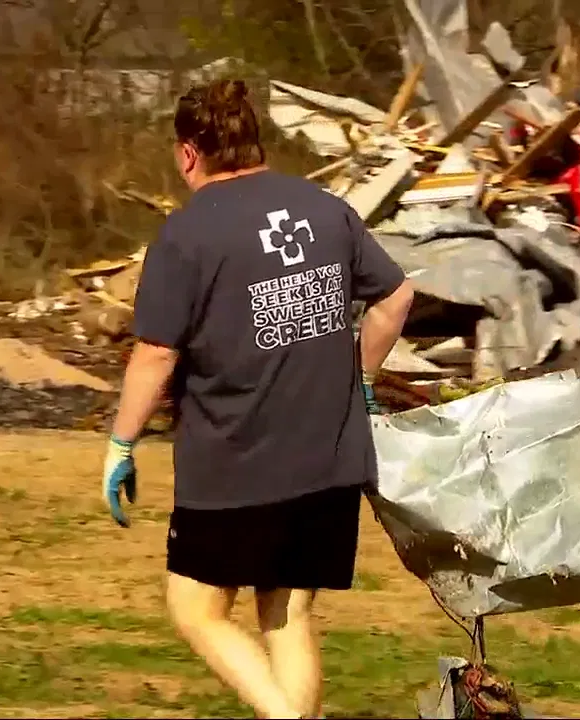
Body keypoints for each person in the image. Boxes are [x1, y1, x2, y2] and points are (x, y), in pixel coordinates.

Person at [100, 78, 414, 719]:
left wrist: (120, 443)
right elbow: (395, 297)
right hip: (329, 460)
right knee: (286, 615)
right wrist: (358, 380)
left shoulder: (186, 235)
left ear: (189, 153)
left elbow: (156, 355)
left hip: (238, 466)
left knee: (197, 610)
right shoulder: (326, 208)